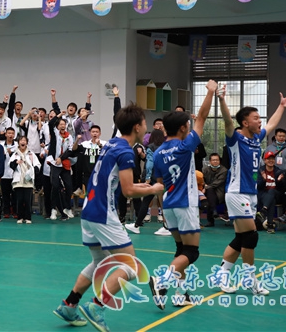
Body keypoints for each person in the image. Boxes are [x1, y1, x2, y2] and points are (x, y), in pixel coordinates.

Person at [52, 103, 164, 331]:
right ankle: (97, 305)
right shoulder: (126, 152)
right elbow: (128, 191)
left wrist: (141, 185)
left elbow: (117, 181)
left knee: (99, 262)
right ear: (137, 127)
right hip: (104, 213)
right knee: (131, 266)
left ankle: (69, 305)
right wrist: (153, 189)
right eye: (144, 123)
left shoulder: (112, 143)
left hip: (89, 210)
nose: (146, 127)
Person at [216, 86, 286, 294]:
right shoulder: (235, 138)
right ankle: (251, 281)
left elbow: (271, 124)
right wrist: (222, 100)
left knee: (241, 238)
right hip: (237, 192)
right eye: (256, 118)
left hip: (250, 194)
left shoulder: (255, 138)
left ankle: (222, 275)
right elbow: (227, 121)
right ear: (245, 122)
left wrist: (282, 106)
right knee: (252, 235)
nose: (260, 121)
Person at [149, 80, 217, 308]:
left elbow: (159, 184)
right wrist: (210, 92)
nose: (190, 126)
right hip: (186, 203)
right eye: (188, 124)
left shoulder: (158, 153)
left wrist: (162, 212)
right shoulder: (185, 145)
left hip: (169, 205)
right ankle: (161, 280)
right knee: (192, 252)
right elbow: (202, 118)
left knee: (181, 250)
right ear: (182, 128)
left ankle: (181, 293)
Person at [47, 108, 75, 220]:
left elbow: (70, 150)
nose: (62, 126)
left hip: (64, 162)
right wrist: (59, 115)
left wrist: (61, 158)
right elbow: (50, 123)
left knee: (69, 187)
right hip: (55, 163)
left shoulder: (69, 136)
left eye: (64, 124)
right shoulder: (55, 134)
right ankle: (53, 209)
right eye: (60, 124)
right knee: (55, 186)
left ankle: (67, 207)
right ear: (58, 126)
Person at [9, 136, 41, 223]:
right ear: (18, 143)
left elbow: (37, 165)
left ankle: (28, 218)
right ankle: (20, 217)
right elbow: (10, 165)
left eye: (24, 140)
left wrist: (32, 171)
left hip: (28, 180)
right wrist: (16, 162)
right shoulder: (15, 154)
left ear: (26, 143)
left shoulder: (31, 154)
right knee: (19, 200)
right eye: (21, 140)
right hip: (18, 180)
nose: (23, 142)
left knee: (27, 200)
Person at [256, 151, 284, 234]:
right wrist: (264, 180)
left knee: (272, 191)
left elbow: (282, 188)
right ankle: (270, 224)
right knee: (271, 200)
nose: (271, 161)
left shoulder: (279, 171)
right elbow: (256, 185)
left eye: (272, 159)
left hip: (276, 194)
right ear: (265, 160)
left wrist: (279, 181)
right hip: (263, 194)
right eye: (268, 159)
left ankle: (264, 211)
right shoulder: (259, 171)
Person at [201, 153, 228, 227]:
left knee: (210, 194)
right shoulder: (205, 169)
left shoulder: (224, 170)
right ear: (210, 161)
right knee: (209, 194)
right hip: (208, 193)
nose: (215, 161)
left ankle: (212, 218)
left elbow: (217, 183)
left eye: (217, 160)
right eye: (213, 160)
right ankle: (214, 211)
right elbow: (201, 180)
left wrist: (206, 187)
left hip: (220, 193)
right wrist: (204, 185)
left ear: (219, 161)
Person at [0, 127, 18, 218]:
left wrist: (11, 153)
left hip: (15, 174)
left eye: (12, 133)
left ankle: (15, 211)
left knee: (15, 194)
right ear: (6, 134)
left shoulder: (17, 145)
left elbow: (18, 157)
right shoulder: (1, 145)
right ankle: (6, 211)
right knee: (5, 194)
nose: (10, 135)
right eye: (9, 133)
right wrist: (2, 155)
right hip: (4, 174)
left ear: (14, 135)